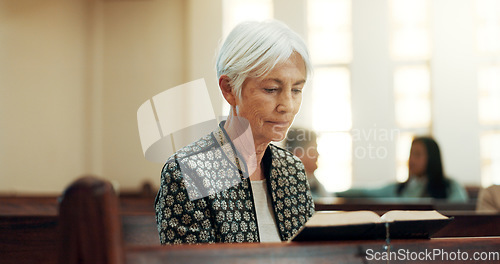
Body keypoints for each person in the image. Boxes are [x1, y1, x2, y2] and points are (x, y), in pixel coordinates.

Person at [155, 20, 315, 244]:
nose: (287, 105)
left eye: (297, 90)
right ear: (229, 89)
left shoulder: (293, 171)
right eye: (271, 89)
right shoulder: (188, 172)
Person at [336, 136, 469, 202]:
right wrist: (333, 194)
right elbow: (367, 192)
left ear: (432, 158)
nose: (411, 160)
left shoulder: (450, 187)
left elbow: (460, 213)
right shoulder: (400, 188)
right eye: (410, 154)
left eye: (417, 155)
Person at [284, 127, 330, 199]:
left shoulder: (314, 182)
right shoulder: (288, 186)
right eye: (313, 149)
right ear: (297, 154)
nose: (318, 154)